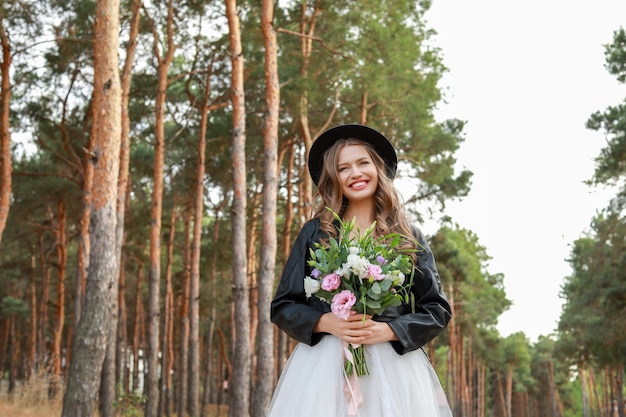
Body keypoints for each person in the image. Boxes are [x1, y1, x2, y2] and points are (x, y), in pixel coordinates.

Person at [267, 124, 453, 417]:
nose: (355, 173)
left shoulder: (407, 235)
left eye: (363, 163)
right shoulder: (316, 233)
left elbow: (437, 309)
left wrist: (390, 330)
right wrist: (325, 322)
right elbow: (283, 306)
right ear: (334, 178)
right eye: (344, 168)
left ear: (379, 169)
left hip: (394, 368)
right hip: (324, 367)